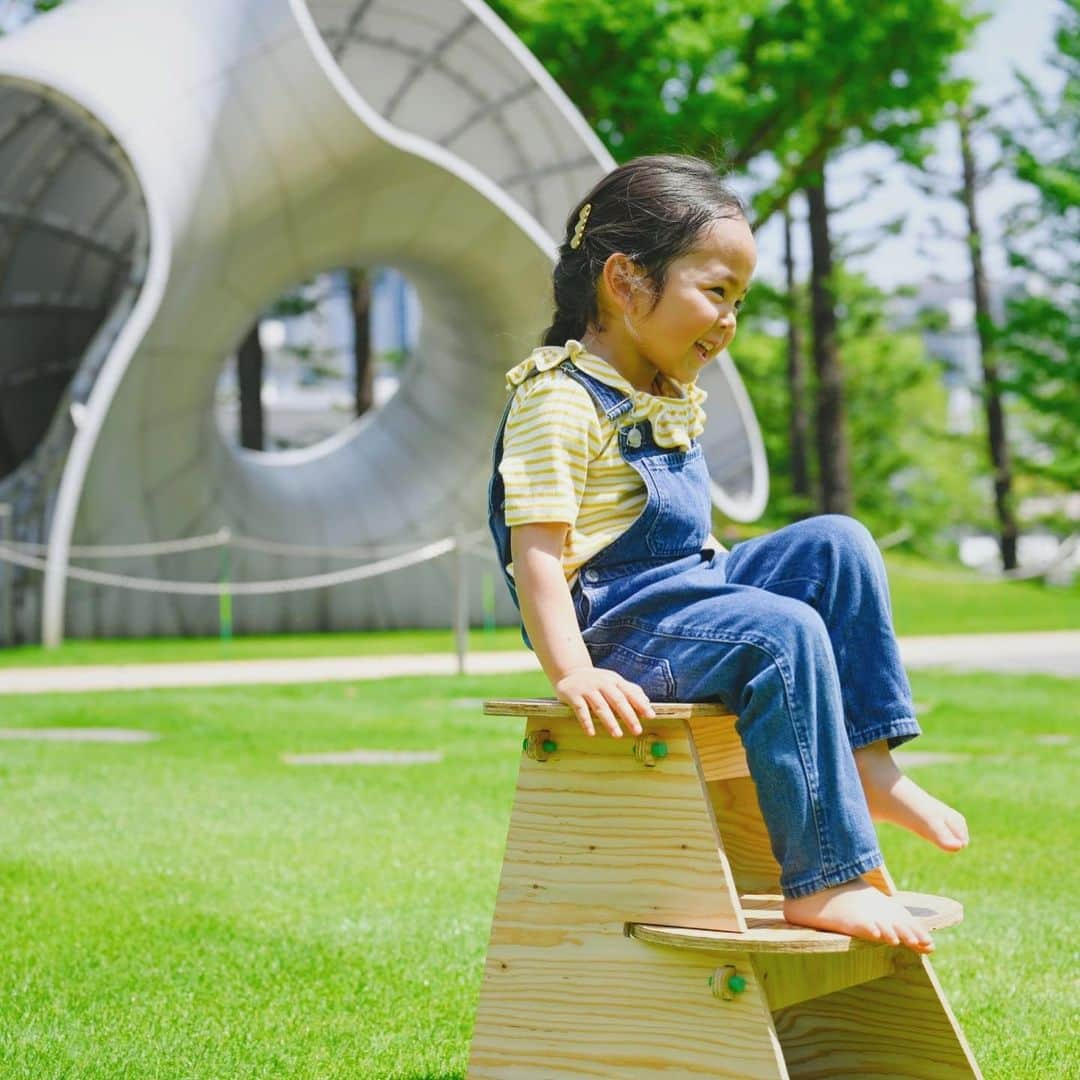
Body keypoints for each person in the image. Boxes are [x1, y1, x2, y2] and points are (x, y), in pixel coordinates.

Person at [487, 154, 968, 951]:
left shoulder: (665, 392)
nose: (728, 321)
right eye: (716, 292)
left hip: (688, 595)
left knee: (836, 546)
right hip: (619, 628)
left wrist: (727, 568)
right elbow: (536, 555)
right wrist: (574, 672)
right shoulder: (559, 398)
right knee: (780, 631)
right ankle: (828, 880)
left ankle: (870, 763)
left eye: (738, 301)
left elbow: (684, 536)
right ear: (625, 281)